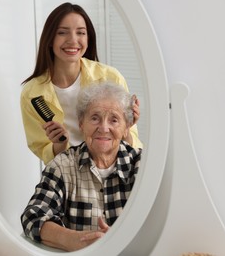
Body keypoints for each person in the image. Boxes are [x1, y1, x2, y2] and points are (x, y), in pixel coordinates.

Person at [20, 82, 142, 252]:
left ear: (126, 128)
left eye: (114, 120)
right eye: (94, 118)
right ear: (81, 124)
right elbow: (32, 217)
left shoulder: (142, 165)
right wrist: (75, 240)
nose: (103, 128)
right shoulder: (62, 166)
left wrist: (119, 240)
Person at [20, 2, 142, 165]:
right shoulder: (32, 93)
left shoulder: (111, 77)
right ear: (50, 39)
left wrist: (127, 126)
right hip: (67, 174)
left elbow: (133, 143)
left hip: (112, 169)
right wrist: (59, 144)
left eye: (81, 33)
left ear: (88, 38)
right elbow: (42, 150)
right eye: (62, 32)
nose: (72, 40)